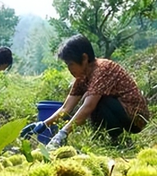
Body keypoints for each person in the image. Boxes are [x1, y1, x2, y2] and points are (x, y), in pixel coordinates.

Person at [21, 34, 149, 149]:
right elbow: (66, 108)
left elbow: (88, 107)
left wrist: (62, 133)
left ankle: (120, 139)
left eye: (71, 64)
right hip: (119, 113)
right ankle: (106, 140)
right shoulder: (83, 76)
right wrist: (43, 124)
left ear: (84, 58)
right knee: (91, 99)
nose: (69, 69)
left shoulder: (103, 69)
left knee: (96, 100)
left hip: (135, 118)